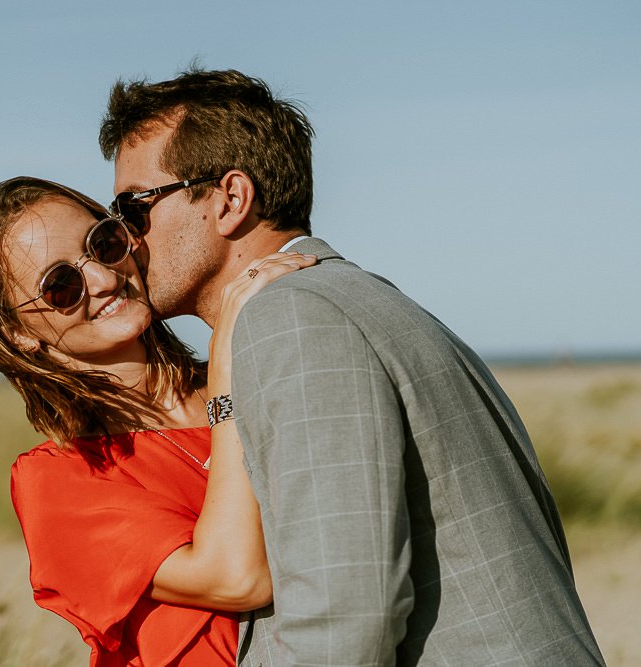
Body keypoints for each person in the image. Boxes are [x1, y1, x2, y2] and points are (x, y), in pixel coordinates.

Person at [99, 68, 605, 665]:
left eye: (134, 208)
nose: (124, 240)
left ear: (230, 199)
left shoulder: (292, 320)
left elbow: (343, 621)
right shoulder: (354, 299)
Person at [0, 176, 317, 665]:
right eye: (61, 285)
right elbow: (235, 578)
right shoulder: (61, 481)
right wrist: (228, 377)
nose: (104, 279)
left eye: (103, 243)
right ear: (16, 331)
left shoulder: (252, 378)